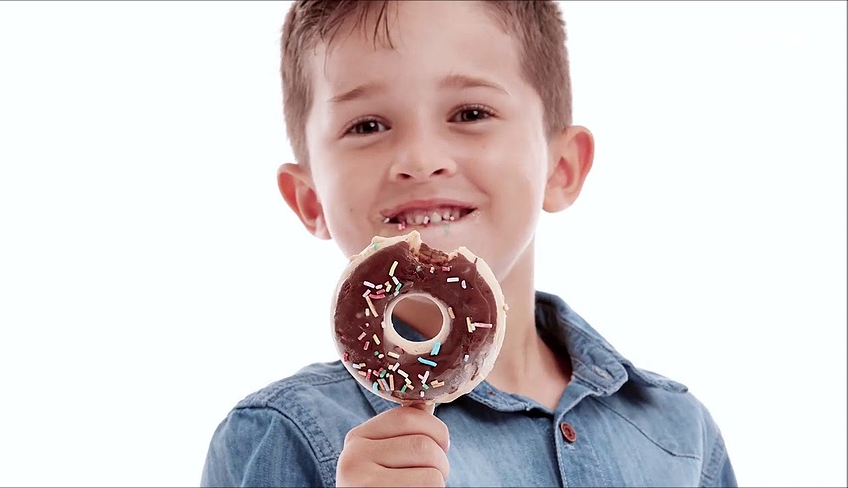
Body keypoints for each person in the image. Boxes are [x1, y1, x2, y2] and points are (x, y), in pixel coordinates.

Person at [201, 1, 737, 486]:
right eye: (367, 125)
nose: (420, 159)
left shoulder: (679, 434)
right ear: (310, 198)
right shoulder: (284, 434)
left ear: (561, 167)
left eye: (470, 114)